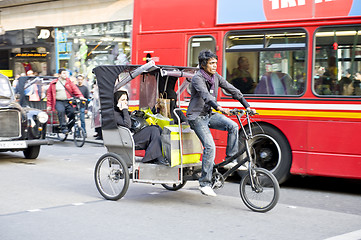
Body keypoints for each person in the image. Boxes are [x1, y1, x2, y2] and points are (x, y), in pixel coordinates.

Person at [186, 49, 256, 197]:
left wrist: (247, 105)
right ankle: (204, 183)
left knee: (233, 126)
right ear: (203, 64)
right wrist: (219, 108)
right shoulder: (197, 78)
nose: (214, 65)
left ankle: (230, 158)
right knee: (210, 146)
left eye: (215, 62)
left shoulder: (215, 76)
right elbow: (205, 96)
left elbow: (232, 89)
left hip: (209, 114)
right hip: (196, 117)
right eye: (211, 63)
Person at [114, 90, 168, 165]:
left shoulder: (123, 112)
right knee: (153, 130)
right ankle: (153, 157)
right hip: (126, 140)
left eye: (126, 100)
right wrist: (124, 110)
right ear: (116, 101)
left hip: (131, 136)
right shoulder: (115, 114)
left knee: (157, 128)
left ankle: (157, 156)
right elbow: (127, 125)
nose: (125, 102)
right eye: (122, 100)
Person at [46, 68, 85, 134]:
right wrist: (49, 105)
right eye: (63, 73)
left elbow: (75, 89)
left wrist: (80, 96)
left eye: (66, 73)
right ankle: (63, 128)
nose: (65, 75)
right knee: (61, 111)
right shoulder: (53, 83)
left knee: (73, 113)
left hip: (68, 101)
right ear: (59, 74)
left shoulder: (69, 82)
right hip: (58, 101)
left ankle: (69, 127)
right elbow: (49, 95)